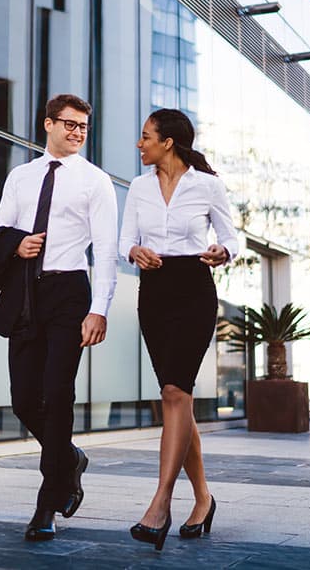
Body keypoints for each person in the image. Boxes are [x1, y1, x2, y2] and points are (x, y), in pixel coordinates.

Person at [0, 94, 118, 541]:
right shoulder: (21, 177)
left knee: (57, 394)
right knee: (24, 400)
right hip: (25, 293)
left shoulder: (95, 182)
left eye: (83, 126)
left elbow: (107, 251)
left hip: (69, 294)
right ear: (48, 125)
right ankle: (69, 459)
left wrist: (99, 308)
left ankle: (47, 504)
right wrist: (17, 244)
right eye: (69, 124)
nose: (77, 132)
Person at [119, 108, 238, 550]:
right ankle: (203, 498)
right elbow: (122, 238)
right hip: (154, 291)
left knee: (174, 392)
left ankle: (160, 503)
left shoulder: (207, 185)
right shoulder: (138, 186)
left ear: (167, 142)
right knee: (177, 399)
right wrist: (134, 251)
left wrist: (223, 251)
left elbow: (233, 236)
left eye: (146, 136)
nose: (139, 143)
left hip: (193, 288)